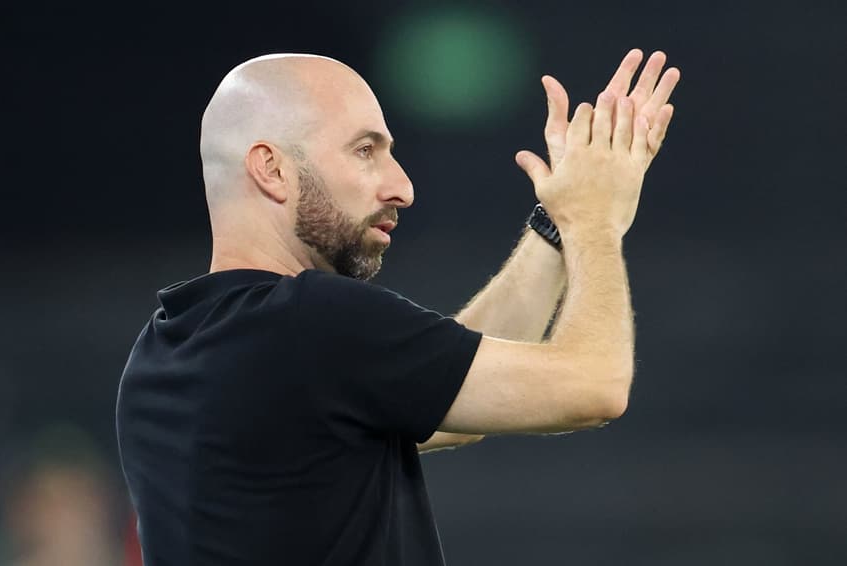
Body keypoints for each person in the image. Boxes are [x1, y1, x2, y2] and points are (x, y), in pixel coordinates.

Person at [116, 48, 679, 565]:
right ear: (272, 168)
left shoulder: (161, 355)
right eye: (365, 151)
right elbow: (594, 386)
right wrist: (594, 222)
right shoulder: (312, 321)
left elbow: (446, 388)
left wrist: (556, 224)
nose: (402, 187)